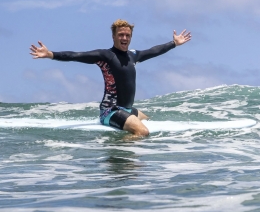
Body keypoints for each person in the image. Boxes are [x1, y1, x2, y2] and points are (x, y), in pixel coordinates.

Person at [29, 20, 191, 137]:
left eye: (128, 35)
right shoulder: (106, 56)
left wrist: (174, 44)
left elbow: (154, 50)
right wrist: (51, 54)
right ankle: (119, 153)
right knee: (142, 132)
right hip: (110, 111)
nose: (125, 38)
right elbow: (76, 55)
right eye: (121, 35)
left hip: (126, 109)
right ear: (113, 36)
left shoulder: (133, 55)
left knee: (148, 119)